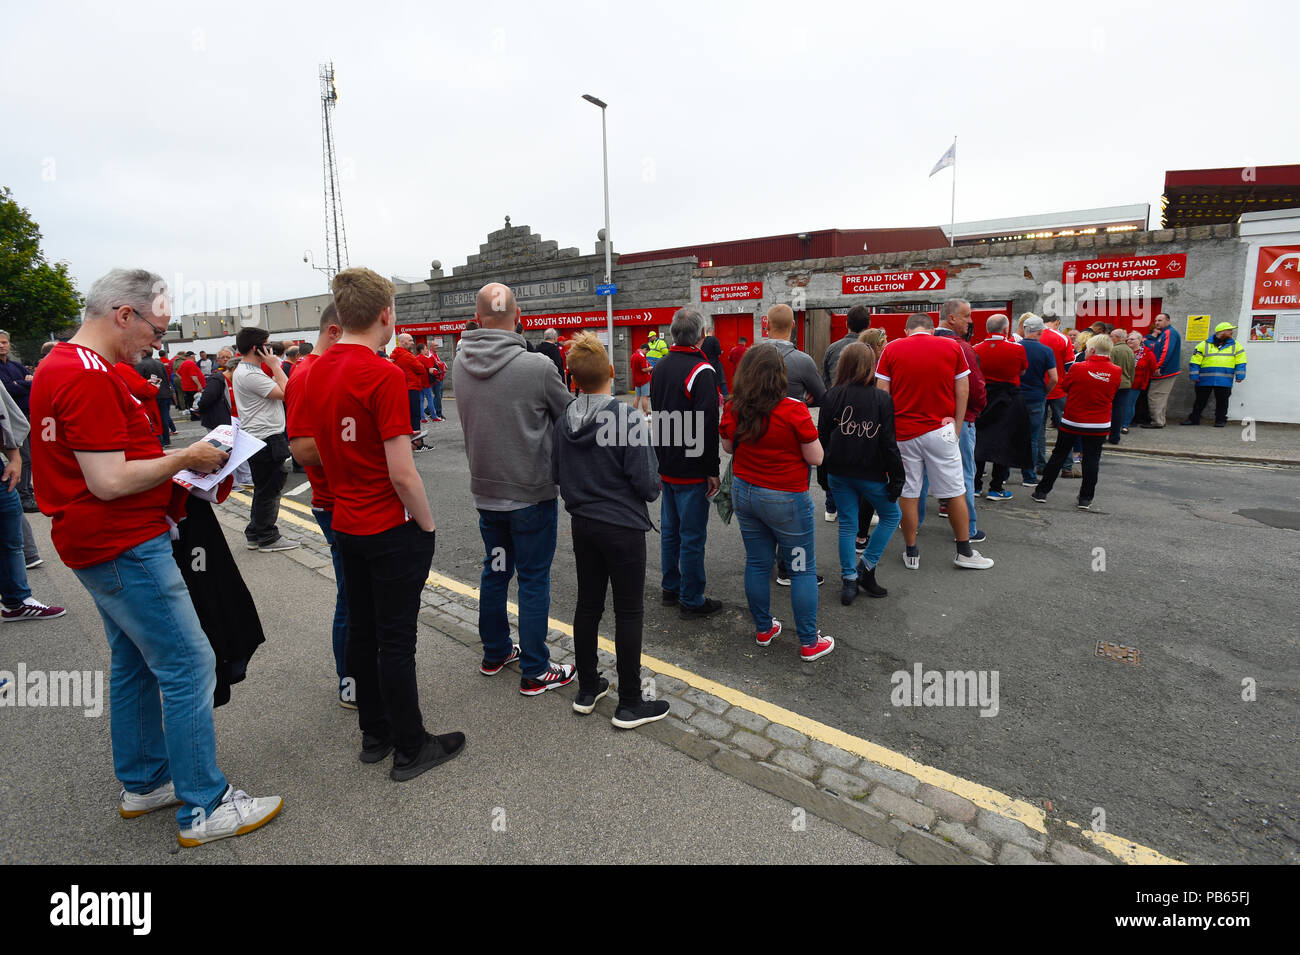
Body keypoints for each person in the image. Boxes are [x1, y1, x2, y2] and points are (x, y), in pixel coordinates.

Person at [30, 267, 281, 846]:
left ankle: (145, 782)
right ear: (124, 314)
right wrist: (187, 457)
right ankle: (206, 805)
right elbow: (111, 480)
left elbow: (106, 463)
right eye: (155, 329)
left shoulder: (63, 365)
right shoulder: (89, 373)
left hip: (97, 541)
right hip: (122, 540)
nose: (157, 343)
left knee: (136, 661)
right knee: (189, 664)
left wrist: (177, 457)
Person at [306, 268, 463, 779]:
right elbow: (403, 472)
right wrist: (428, 524)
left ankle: (375, 733)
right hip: (386, 526)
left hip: (344, 518)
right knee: (397, 642)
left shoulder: (318, 369)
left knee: (362, 629)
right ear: (385, 314)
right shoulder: (384, 374)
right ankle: (412, 747)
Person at [455, 283, 577, 695]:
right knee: (533, 579)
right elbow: (572, 420)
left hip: (486, 493)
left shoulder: (459, 361)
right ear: (518, 313)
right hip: (530, 493)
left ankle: (495, 651)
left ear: (477, 317)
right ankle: (536, 670)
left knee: (496, 571)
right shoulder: (538, 367)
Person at [553, 333, 669, 728]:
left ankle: (588, 687)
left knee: (588, 606)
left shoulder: (564, 418)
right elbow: (649, 486)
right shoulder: (627, 417)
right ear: (611, 372)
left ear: (573, 378)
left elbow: (557, 473)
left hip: (583, 524)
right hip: (622, 527)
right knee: (628, 611)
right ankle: (631, 702)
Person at [720, 345, 833, 661]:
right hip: (786, 501)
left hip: (746, 493)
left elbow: (728, 447)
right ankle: (810, 642)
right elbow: (816, 456)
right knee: (800, 568)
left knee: (757, 563)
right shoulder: (793, 410)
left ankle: (764, 628)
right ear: (779, 375)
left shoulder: (734, 407)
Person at [875, 313, 993, 571]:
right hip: (941, 429)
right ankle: (964, 550)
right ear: (931, 329)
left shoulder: (892, 349)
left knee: (909, 492)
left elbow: (882, 394)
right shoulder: (953, 346)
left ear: (907, 330)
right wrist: (958, 426)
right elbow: (963, 390)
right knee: (953, 490)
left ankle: (912, 551)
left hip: (903, 433)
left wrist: (888, 431)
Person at [286, 304, 351, 708]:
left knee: (363, 595)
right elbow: (304, 449)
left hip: (354, 500)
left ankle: (362, 673)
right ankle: (351, 683)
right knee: (351, 597)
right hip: (334, 504)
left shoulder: (332, 369)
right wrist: (364, 451)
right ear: (333, 330)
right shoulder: (308, 374)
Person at [649, 307, 723, 618]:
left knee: (671, 530)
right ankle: (692, 600)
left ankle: (671, 587)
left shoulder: (661, 367)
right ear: (701, 334)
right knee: (692, 536)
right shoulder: (702, 371)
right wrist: (712, 469)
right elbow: (707, 425)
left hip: (667, 460)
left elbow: (657, 413)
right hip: (692, 465)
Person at [817, 343, 903, 606]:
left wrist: (822, 473)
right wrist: (897, 477)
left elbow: (821, 437)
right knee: (891, 515)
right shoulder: (881, 398)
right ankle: (866, 567)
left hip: (839, 471)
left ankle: (849, 579)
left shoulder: (832, 396)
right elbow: (888, 442)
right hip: (871, 472)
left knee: (847, 524)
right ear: (870, 366)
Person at [1032, 334, 1122, 509]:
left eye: (1087, 349)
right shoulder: (1116, 370)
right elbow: (1114, 390)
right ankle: (1085, 498)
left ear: (1093, 350)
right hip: (1099, 423)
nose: (1085, 352)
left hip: (1073, 420)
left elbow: (1065, 387)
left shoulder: (1078, 368)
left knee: (1058, 455)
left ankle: (1042, 492)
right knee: (1092, 459)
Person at [0, 383, 63, 620]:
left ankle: (17, 601)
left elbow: (5, 412)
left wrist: (14, 456)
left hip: (2, 468)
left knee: (10, 534)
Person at [232, 327, 297, 552]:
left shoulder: (248, 371)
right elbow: (289, 391)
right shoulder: (250, 374)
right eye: (267, 344)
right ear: (256, 348)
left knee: (264, 488)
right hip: (266, 437)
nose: (271, 349)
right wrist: (275, 365)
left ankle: (255, 532)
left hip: (260, 436)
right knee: (270, 488)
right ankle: (268, 536)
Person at [931, 299, 988, 539]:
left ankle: (910, 529)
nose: (971, 321)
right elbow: (976, 389)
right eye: (966, 316)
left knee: (921, 475)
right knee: (963, 472)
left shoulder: (923, 343)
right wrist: (975, 410)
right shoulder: (962, 348)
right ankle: (968, 529)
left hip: (926, 419)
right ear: (951, 318)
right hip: (958, 419)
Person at [972, 315, 1030, 502]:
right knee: (1004, 442)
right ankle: (996, 487)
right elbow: (1022, 371)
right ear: (1006, 330)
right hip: (1008, 400)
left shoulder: (976, 349)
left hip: (984, 398)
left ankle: (974, 485)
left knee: (979, 441)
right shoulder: (1017, 349)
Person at [1015, 316, 1058, 486]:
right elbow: (1054, 378)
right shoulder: (1046, 351)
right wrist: (1044, 392)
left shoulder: (1015, 347)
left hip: (1016, 397)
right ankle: (1029, 477)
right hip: (1036, 397)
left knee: (1011, 436)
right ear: (1040, 331)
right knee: (1031, 438)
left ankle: (1001, 476)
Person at [1184, 322, 1247, 427]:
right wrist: (1194, 376)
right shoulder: (1203, 344)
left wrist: (1240, 376)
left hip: (1224, 379)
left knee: (1222, 401)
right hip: (1204, 379)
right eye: (1229, 330)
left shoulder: (1237, 346)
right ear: (1221, 331)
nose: (1232, 332)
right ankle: (1194, 419)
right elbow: (1194, 361)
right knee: (1200, 400)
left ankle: (1220, 420)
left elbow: (1241, 362)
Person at [0, 331, 37, 512]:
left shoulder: (16, 365)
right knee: (23, 457)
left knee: (29, 458)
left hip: (26, 416)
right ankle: (23, 496)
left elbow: (34, 383)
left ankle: (27, 491)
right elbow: (7, 389)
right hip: (10, 419)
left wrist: (20, 384)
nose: (2, 345)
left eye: (5, 342)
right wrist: (24, 383)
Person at [1040, 313, 1077, 474]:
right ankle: (1067, 466)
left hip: (1038, 389)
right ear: (1057, 322)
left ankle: (1039, 465)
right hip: (1059, 388)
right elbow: (1070, 366)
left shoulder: (1034, 335)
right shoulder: (1063, 338)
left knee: (1038, 430)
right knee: (1065, 429)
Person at [392, 334, 432, 452]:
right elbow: (421, 369)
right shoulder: (407, 356)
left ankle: (408, 443)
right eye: (410, 340)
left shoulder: (395, 355)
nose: (412, 343)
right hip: (412, 388)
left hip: (402, 389)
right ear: (403, 342)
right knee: (415, 417)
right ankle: (418, 443)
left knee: (407, 417)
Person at [1141, 313, 1181, 429]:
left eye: (1160, 320)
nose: (1157, 323)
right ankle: (1160, 421)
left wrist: (1159, 367)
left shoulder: (1169, 333)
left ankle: (1157, 422)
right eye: (1156, 320)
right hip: (1166, 370)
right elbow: (1152, 344)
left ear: (1168, 320)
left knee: (1155, 396)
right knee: (1160, 397)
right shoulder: (1164, 333)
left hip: (1164, 372)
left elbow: (1166, 351)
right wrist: (1152, 335)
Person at [823, 305, 872, 389]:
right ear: (868, 324)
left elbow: (825, 381)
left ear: (846, 324)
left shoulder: (832, 349)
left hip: (836, 398)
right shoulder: (873, 350)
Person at [1107, 328, 1137, 444]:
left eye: (1112, 336)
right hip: (1126, 384)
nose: (1110, 338)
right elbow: (1132, 370)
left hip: (1114, 384)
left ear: (1118, 338)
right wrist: (1130, 382)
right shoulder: (1130, 351)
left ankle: (1105, 435)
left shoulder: (1113, 350)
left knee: (1108, 410)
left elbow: (1110, 368)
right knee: (1119, 411)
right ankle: (1115, 437)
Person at [194, 348, 233, 430]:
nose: (225, 359)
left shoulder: (237, 374)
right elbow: (208, 396)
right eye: (222, 357)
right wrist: (200, 408)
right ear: (218, 360)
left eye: (228, 357)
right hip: (219, 418)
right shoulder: (215, 376)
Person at [1127, 330, 1156, 435]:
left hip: (1137, 383)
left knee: (1130, 404)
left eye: (1132, 339)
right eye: (1128, 339)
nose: (1129, 340)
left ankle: (1127, 423)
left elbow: (1153, 367)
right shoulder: (1125, 351)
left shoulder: (1147, 352)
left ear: (1139, 340)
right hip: (1123, 382)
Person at [700, 324, 727, 398]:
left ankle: (711, 396)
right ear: (712, 332)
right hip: (715, 363)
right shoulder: (714, 339)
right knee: (721, 380)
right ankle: (725, 396)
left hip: (705, 363)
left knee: (709, 381)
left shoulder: (702, 341)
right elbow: (718, 351)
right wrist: (720, 352)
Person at [630, 341, 652, 416]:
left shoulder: (633, 355)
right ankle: (645, 413)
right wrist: (651, 368)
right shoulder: (641, 357)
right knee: (644, 397)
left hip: (636, 380)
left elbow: (632, 367)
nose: (646, 353)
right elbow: (644, 369)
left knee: (637, 397)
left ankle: (634, 412)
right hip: (644, 380)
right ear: (645, 349)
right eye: (647, 351)